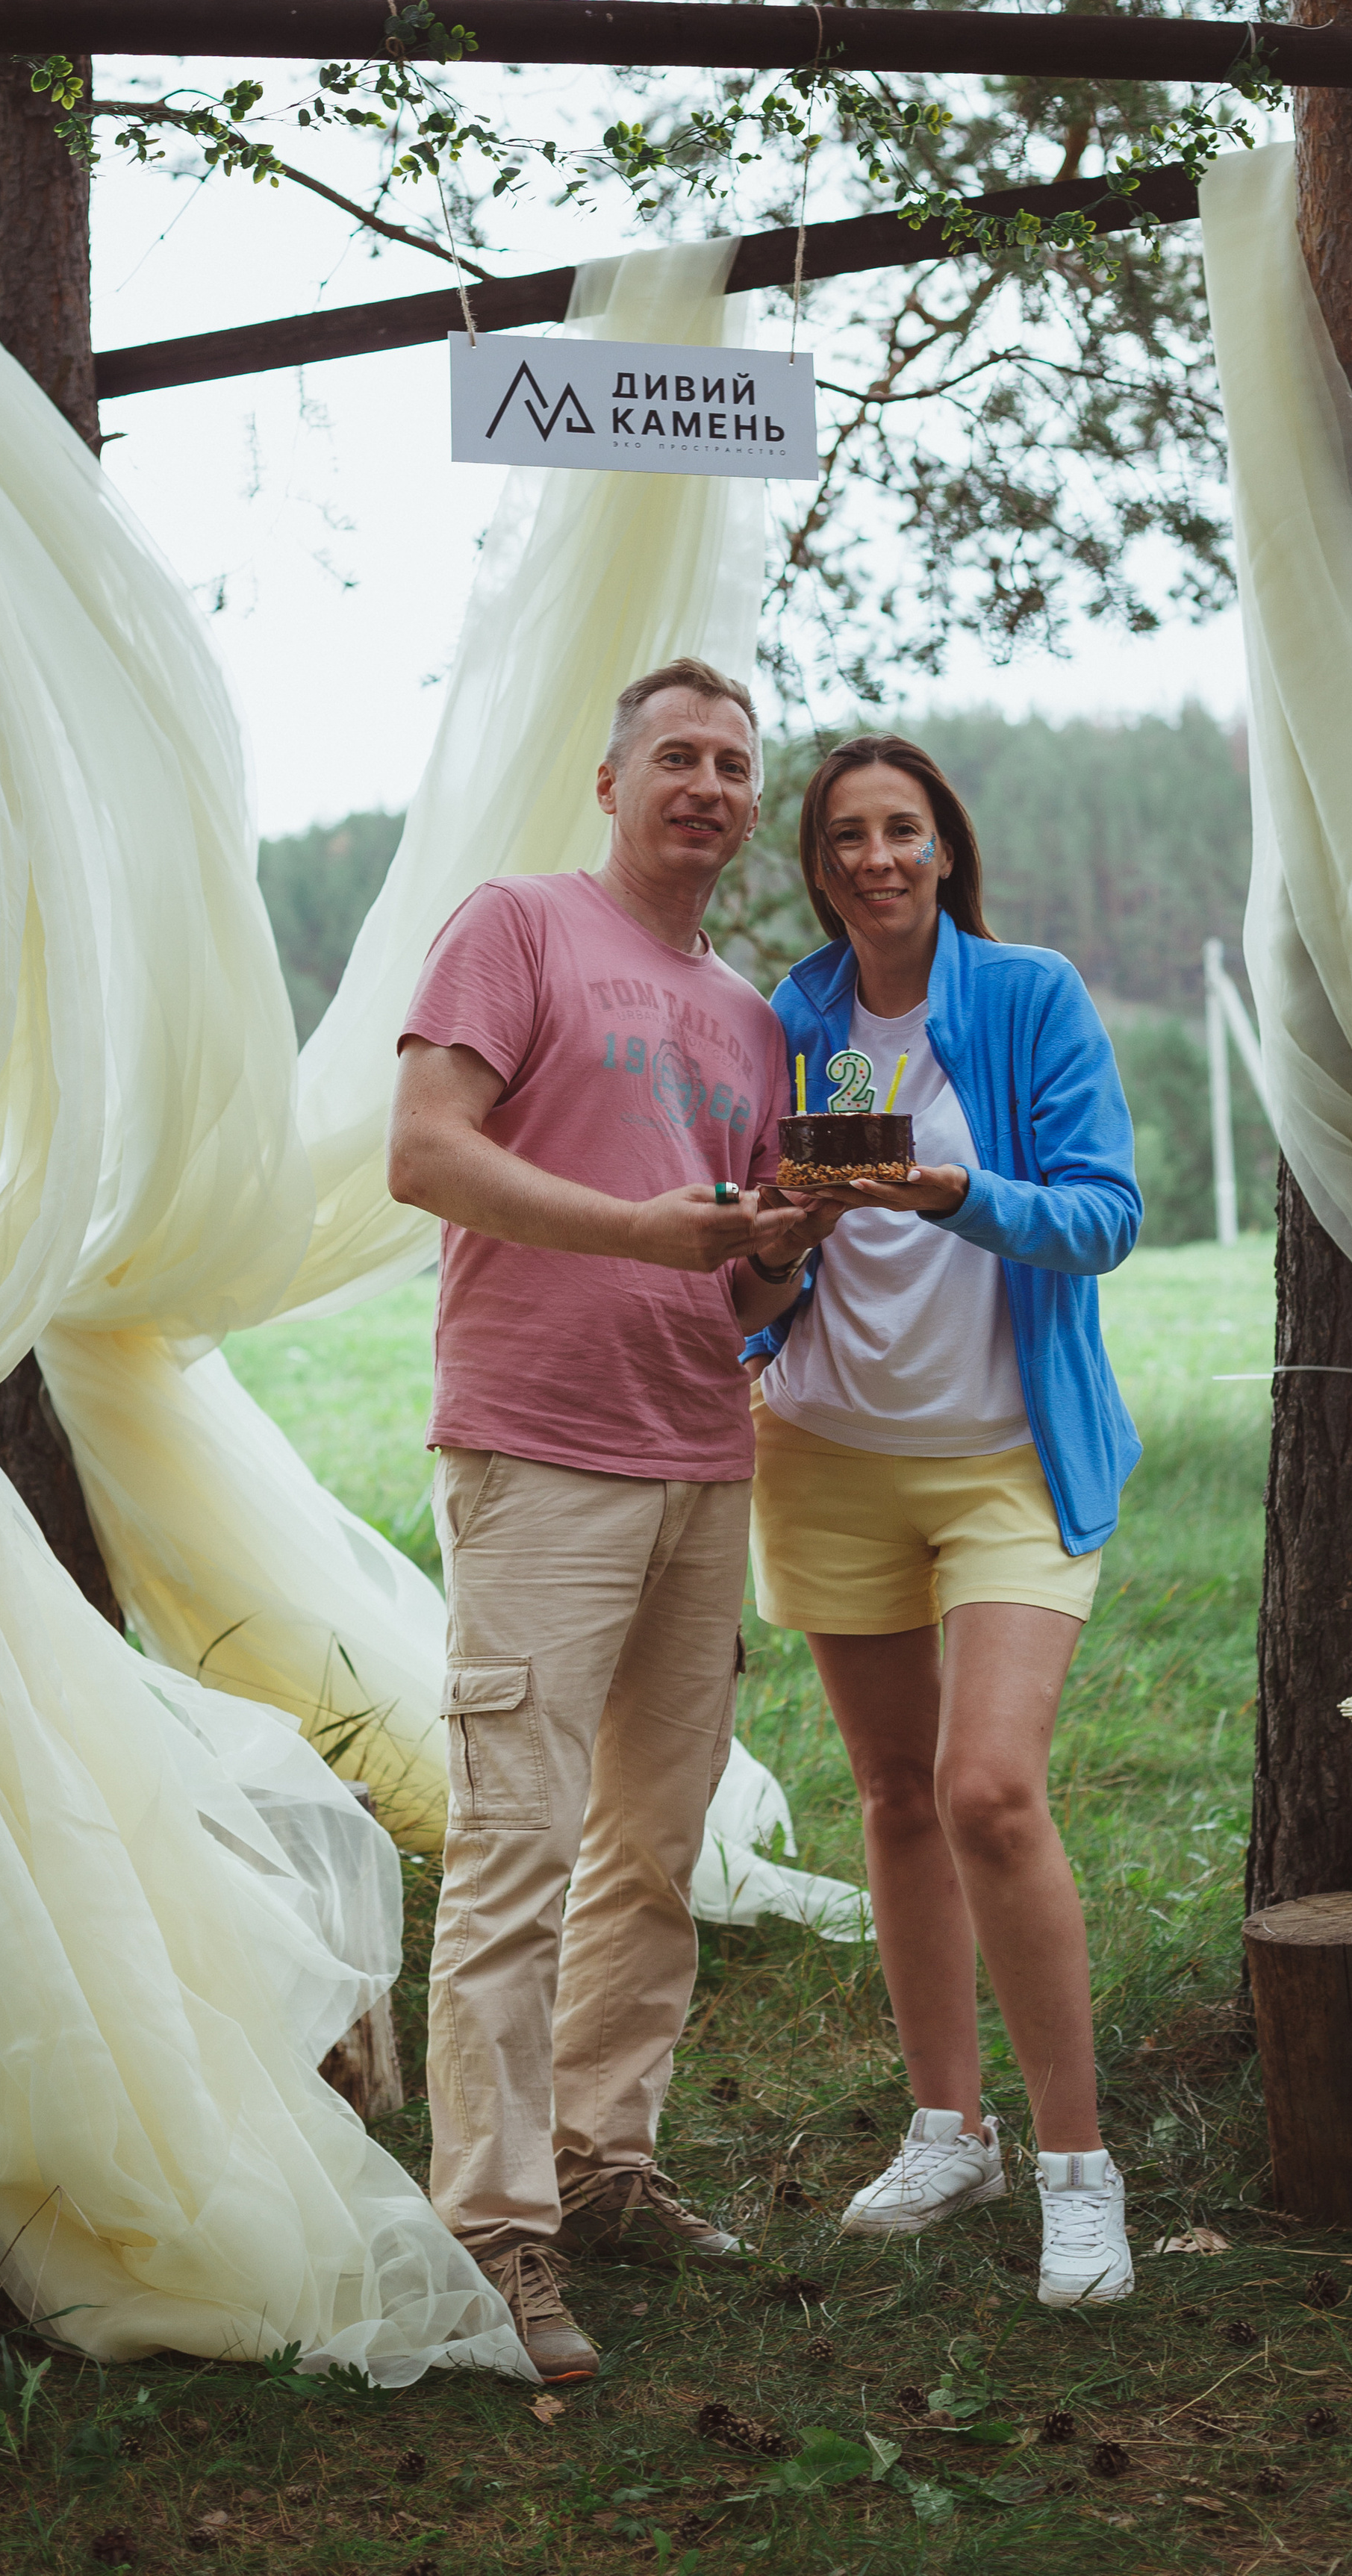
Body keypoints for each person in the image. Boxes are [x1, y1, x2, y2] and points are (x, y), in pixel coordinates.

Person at [386, 658, 830, 2382]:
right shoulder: (514, 924)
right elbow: (424, 1152)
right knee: (517, 1843)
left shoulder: (745, 1016)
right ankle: (491, 2233)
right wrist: (643, 1235)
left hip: (700, 1456)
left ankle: (603, 2161)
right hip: (537, 1452)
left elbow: (742, 1249)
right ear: (611, 779)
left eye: (732, 762)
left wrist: (769, 1245)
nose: (707, 784)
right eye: (677, 755)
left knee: (652, 1845)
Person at [744, 733, 1143, 2307]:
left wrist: (945, 1193)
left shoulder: (1024, 996)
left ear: (942, 848)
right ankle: (943, 2127)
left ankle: (1075, 2169)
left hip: (1003, 1461)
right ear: (819, 862)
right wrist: (777, 1250)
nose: (873, 859)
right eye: (844, 836)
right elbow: (757, 1279)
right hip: (829, 1456)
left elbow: (1105, 1216)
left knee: (986, 1789)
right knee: (895, 1798)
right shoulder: (791, 1021)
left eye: (899, 830)